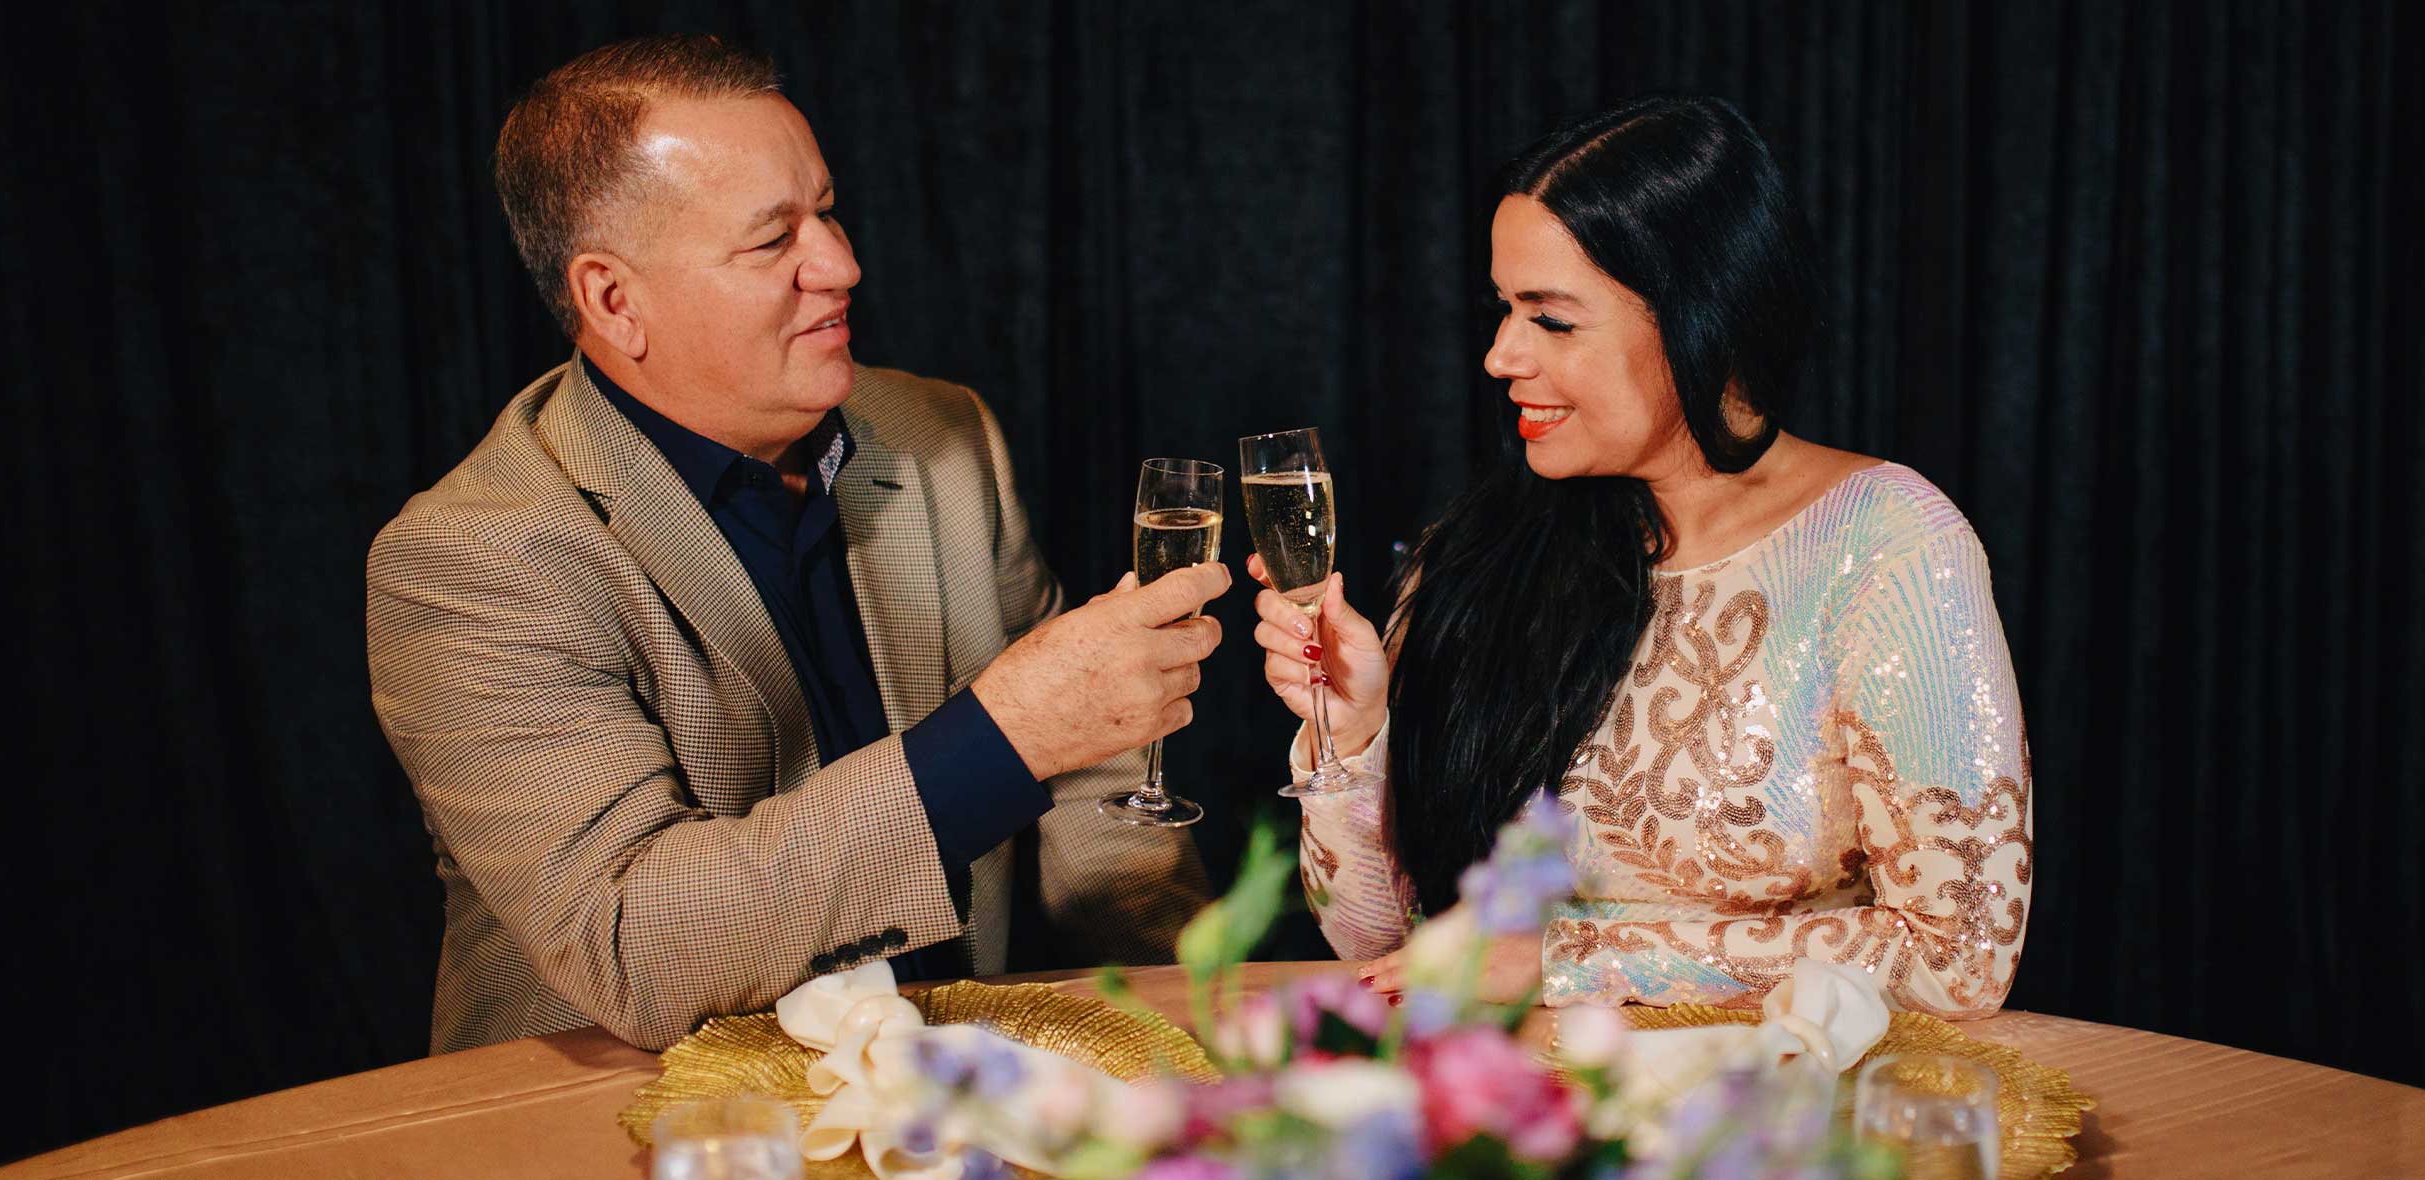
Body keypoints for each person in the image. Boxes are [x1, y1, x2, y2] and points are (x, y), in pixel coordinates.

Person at [368, 35, 1221, 1054]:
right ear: (614, 301)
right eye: (773, 240)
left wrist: (1194, 1030)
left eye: (827, 211)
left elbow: (1091, 785)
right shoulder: (473, 556)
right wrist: (1000, 740)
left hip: (952, 1088)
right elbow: (632, 943)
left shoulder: (944, 435)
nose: (842, 265)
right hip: (620, 1107)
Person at [1252, 95, 2032, 1017]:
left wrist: (1566, 962)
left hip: (1768, 1101)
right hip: (1501, 1097)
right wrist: (1354, 735)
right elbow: (1384, 948)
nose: (1500, 355)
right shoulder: (1480, 553)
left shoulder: (1885, 542)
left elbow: (1960, 952)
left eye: (1551, 320)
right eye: (1504, 310)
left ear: (1702, 314)